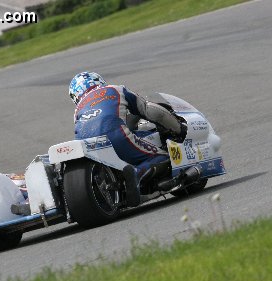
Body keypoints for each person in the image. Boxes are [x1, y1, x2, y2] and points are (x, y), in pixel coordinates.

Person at [69, 71, 187, 206]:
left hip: (89, 148)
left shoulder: (78, 110)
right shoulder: (115, 89)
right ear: (99, 81)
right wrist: (178, 128)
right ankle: (136, 174)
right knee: (166, 157)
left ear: (75, 95)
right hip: (116, 136)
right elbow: (150, 111)